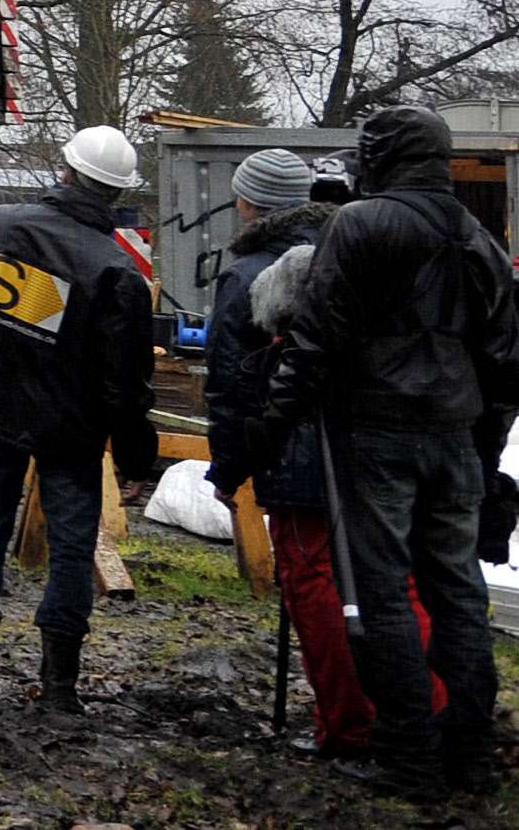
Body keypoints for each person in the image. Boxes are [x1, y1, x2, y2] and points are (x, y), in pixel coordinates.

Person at [268, 106, 519, 802]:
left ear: (379, 156)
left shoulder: (361, 223)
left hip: (378, 433)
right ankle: (467, 753)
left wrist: (267, 428)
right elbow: (505, 360)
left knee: (385, 601)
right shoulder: (478, 239)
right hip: (455, 436)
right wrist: (485, 449)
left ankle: (408, 756)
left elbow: (316, 339)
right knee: (460, 598)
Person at [0, 121, 163, 711]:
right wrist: (137, 457)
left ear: (66, 169)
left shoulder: (3, 224)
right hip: (70, 431)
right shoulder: (117, 270)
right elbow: (126, 383)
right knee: (74, 548)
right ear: (116, 191)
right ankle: (59, 688)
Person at [205, 143, 406, 761]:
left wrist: (230, 463)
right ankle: (416, 713)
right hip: (368, 446)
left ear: (249, 202)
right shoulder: (353, 255)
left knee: (312, 580)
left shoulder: (246, 277)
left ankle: (347, 726)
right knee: (382, 582)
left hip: (294, 448)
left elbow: (233, 385)